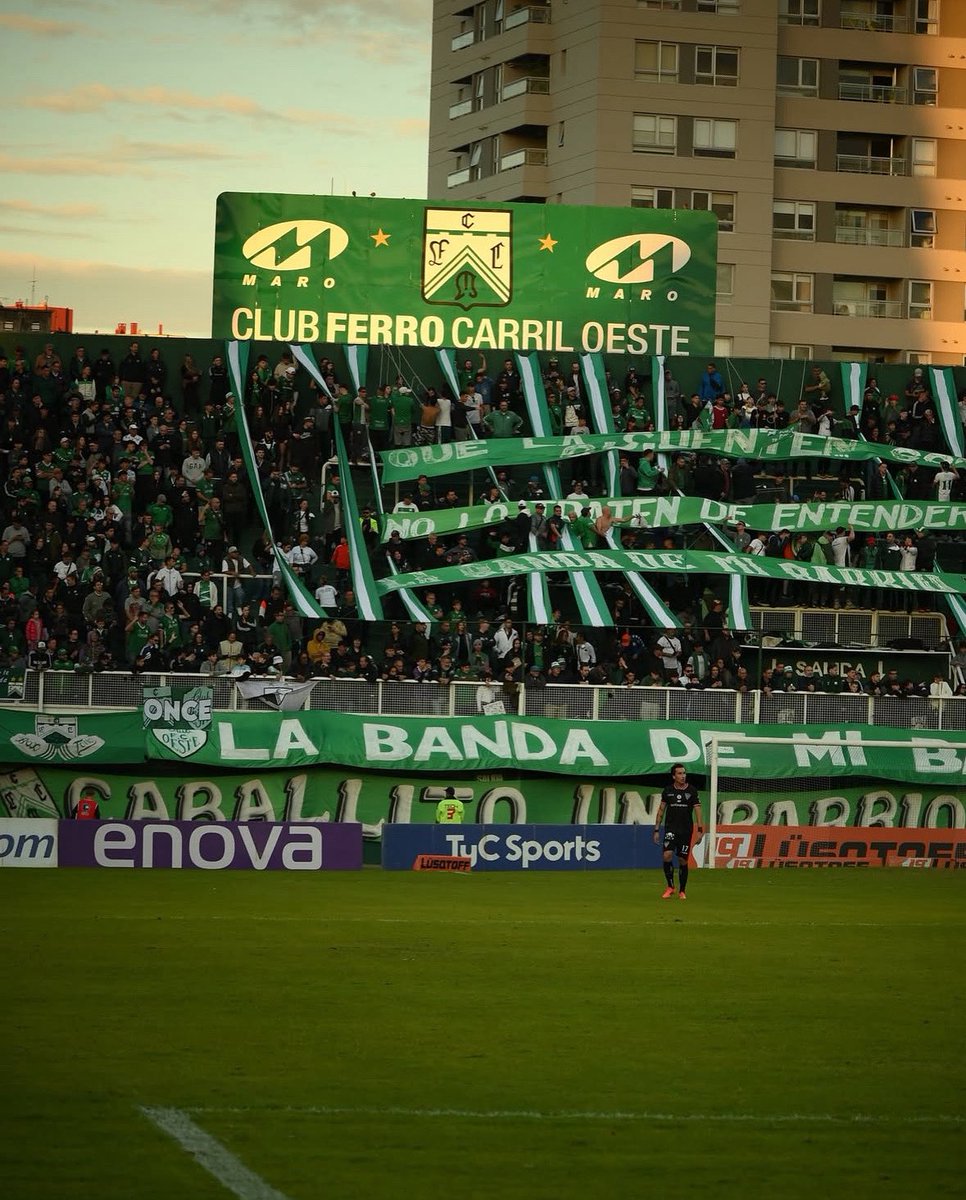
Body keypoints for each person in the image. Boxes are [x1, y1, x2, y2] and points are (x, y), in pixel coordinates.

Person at [652, 764, 703, 900]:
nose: (683, 776)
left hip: (686, 830)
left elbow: (698, 810)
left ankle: (682, 890)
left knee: (682, 860)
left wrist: (700, 829)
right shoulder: (668, 791)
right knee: (667, 855)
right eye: (680, 773)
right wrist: (656, 829)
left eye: (684, 773)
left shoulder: (692, 791)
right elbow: (661, 810)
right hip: (671, 829)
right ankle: (670, 887)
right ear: (674, 776)